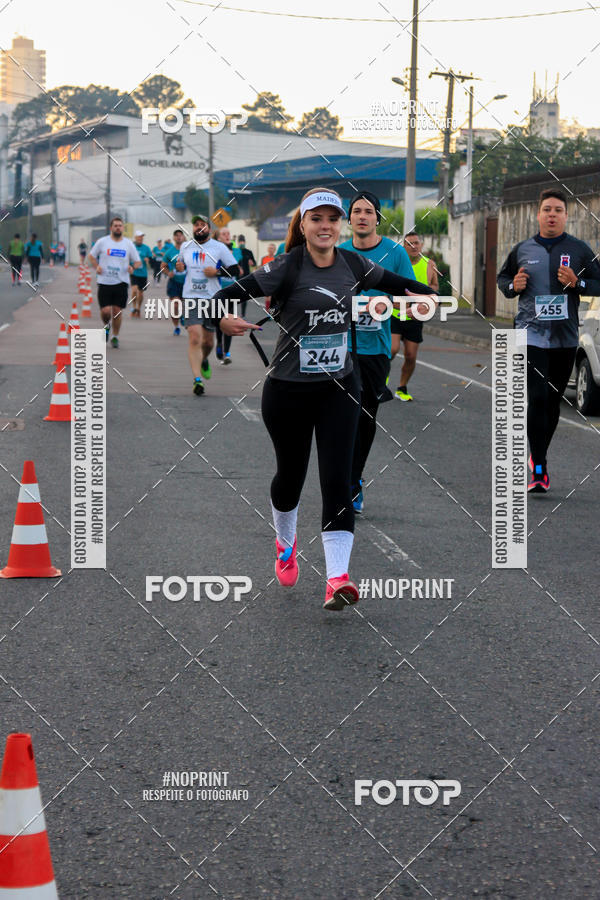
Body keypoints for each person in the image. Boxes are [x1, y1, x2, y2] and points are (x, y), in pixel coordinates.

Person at [212, 187, 434, 611]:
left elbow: (395, 282)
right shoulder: (285, 267)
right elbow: (224, 298)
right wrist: (224, 319)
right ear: (304, 224)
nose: (326, 226)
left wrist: (422, 293)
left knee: (338, 481)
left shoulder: (353, 263)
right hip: (288, 390)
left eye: (333, 219)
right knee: (290, 478)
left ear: (340, 225)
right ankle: (285, 543)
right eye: (317, 219)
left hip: (340, 388)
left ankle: (337, 578)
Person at [497, 188, 600, 492]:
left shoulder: (579, 249)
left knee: (552, 400)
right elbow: (504, 280)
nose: (552, 214)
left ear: (566, 216)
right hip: (529, 334)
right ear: (538, 214)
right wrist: (512, 287)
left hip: (565, 336)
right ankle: (539, 466)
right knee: (537, 396)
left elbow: (599, 282)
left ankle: (538, 457)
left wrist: (578, 282)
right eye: (547, 209)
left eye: (557, 210)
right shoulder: (522, 249)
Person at [339, 191, 424, 514]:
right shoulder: (337, 252)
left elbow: (412, 297)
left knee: (365, 415)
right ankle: (342, 480)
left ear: (377, 218)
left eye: (368, 211)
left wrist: (389, 307)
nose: (362, 216)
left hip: (375, 349)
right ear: (349, 219)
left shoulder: (395, 253)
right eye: (356, 211)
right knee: (340, 415)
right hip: (339, 347)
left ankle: (354, 478)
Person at [176, 215, 239, 394]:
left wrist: (217, 272)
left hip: (212, 298)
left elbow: (236, 269)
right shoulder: (185, 246)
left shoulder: (219, 247)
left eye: (202, 225)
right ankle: (197, 380)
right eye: (196, 225)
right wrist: (179, 268)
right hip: (190, 297)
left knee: (208, 342)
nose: (199, 228)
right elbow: (180, 267)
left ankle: (204, 359)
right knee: (195, 337)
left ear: (209, 229)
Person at [389, 231, 439, 401]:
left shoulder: (429, 264)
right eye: (409, 244)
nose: (414, 246)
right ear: (404, 247)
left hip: (416, 316)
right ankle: (382, 377)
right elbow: (385, 284)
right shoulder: (397, 263)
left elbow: (434, 286)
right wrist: (391, 300)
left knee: (410, 355)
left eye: (416, 243)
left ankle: (402, 388)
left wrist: (428, 300)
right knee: (392, 349)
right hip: (396, 314)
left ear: (421, 245)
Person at [89, 216, 141, 348]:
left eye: (120, 225)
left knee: (117, 311)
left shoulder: (128, 244)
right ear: (111, 228)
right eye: (115, 225)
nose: (118, 227)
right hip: (104, 281)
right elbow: (91, 256)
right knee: (106, 311)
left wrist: (132, 267)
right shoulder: (102, 242)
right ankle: (106, 326)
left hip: (121, 282)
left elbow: (137, 261)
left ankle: (115, 336)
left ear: (123, 228)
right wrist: (97, 267)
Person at [213, 227, 237, 363]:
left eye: (228, 233)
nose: (227, 235)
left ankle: (227, 353)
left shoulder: (237, 251)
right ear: (218, 238)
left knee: (230, 321)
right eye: (224, 234)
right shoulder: (215, 251)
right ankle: (219, 344)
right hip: (218, 291)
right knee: (219, 322)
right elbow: (214, 269)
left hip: (233, 290)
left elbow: (239, 270)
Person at [162, 230, 186, 335]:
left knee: (186, 305)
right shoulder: (170, 252)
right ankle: (176, 327)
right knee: (175, 305)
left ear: (184, 237)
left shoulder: (188, 250)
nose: (179, 237)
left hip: (187, 283)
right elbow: (163, 266)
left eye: (181, 235)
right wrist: (168, 273)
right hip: (174, 282)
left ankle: (183, 316)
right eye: (177, 236)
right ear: (174, 238)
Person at [130, 230, 153, 317]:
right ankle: (134, 307)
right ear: (135, 238)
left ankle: (138, 308)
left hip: (143, 274)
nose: (141, 238)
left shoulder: (146, 248)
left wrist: (148, 260)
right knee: (134, 290)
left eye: (142, 237)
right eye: (139, 237)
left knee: (140, 293)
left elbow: (151, 259)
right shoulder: (132, 247)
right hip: (134, 272)